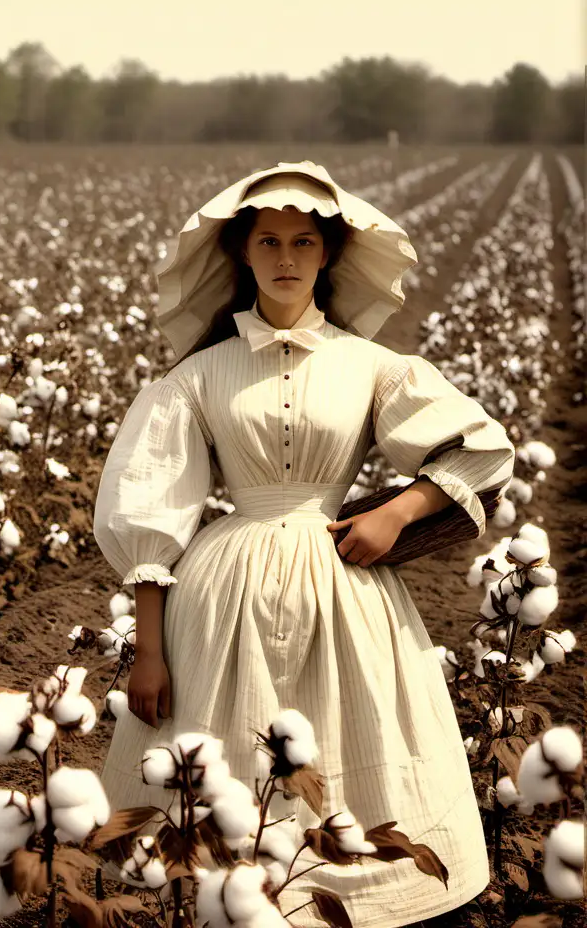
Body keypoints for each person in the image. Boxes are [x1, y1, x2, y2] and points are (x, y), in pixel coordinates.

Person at [92, 161, 515, 928]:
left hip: (343, 585)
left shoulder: (372, 366)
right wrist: (149, 649)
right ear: (242, 255)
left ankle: (357, 895)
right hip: (225, 589)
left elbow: (480, 449)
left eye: (304, 242)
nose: (286, 258)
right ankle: (222, 893)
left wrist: (403, 508)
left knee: (355, 746)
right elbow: (151, 506)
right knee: (214, 769)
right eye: (269, 242)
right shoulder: (197, 377)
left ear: (328, 256)